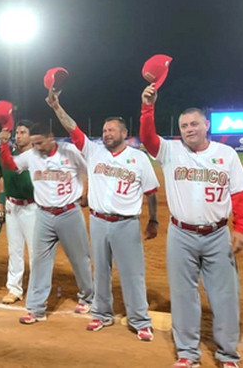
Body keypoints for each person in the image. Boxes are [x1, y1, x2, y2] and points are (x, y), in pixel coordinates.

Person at [141, 84, 243, 368]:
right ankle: (188, 353)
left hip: (217, 235)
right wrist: (148, 107)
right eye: (184, 125)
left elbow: (239, 194)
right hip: (181, 235)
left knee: (225, 296)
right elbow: (148, 139)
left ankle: (228, 356)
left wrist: (240, 228)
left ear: (206, 124)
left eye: (194, 124)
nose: (189, 129)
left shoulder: (226, 154)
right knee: (183, 295)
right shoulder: (171, 151)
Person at [48, 90, 158, 341]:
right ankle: (101, 314)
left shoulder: (138, 158)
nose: (106, 133)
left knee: (133, 274)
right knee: (100, 272)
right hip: (98, 221)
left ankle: (140, 320)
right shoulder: (94, 151)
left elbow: (151, 192)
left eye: (111, 130)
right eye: (105, 130)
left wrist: (153, 220)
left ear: (123, 134)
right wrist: (56, 107)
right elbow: (73, 128)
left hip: (126, 224)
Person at [0, 121, 93, 324]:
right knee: (40, 262)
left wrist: (88, 193)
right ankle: (36, 308)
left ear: (51, 137)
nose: (37, 147)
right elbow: (10, 165)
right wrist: (4, 144)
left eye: (40, 142)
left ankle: (88, 297)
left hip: (69, 213)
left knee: (80, 259)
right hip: (43, 215)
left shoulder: (70, 152)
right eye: (34, 143)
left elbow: (92, 170)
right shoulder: (32, 155)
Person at [0, 120, 37, 304]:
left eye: (23, 132)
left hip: (33, 207)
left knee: (36, 252)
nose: (18, 136)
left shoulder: (37, 157)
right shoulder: (7, 155)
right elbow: (2, 176)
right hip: (13, 207)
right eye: (17, 132)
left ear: (31, 136)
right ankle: (14, 288)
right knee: (15, 250)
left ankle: (37, 290)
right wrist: (1, 203)